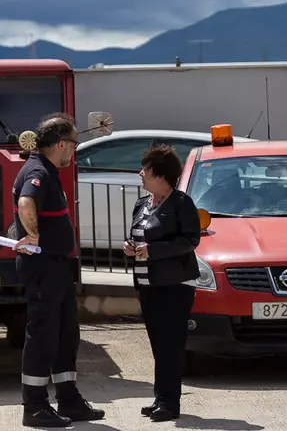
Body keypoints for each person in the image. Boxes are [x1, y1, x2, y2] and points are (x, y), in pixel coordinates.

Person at [12, 113, 106, 427]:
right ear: (62, 144)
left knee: (66, 335)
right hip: (45, 268)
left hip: (59, 269)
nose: (74, 151)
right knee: (43, 336)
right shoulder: (38, 170)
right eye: (74, 144)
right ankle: (35, 406)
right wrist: (33, 233)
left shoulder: (48, 169)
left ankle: (68, 399)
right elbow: (27, 203)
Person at [123, 143, 201, 422]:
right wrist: (131, 245)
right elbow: (138, 234)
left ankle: (170, 403)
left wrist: (154, 251)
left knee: (171, 344)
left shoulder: (181, 203)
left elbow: (190, 239)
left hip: (174, 286)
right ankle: (160, 398)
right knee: (158, 344)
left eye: (144, 169)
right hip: (147, 284)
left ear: (159, 173)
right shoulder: (142, 204)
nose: (140, 173)